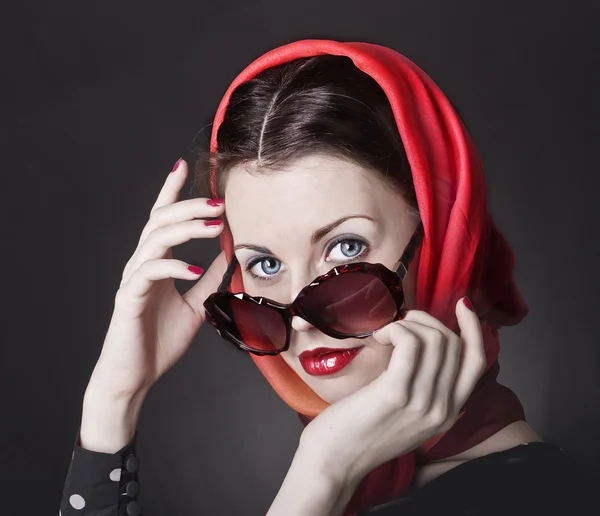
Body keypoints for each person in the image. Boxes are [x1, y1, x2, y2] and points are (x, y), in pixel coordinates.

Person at [59, 39, 589, 516]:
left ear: (440, 238)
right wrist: (113, 401)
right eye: (265, 265)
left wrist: (321, 471)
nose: (300, 317)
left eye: (345, 248)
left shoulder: (538, 500)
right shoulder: (359, 486)